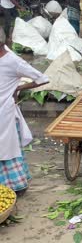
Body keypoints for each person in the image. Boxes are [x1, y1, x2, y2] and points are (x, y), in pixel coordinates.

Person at [0, 27, 49, 196]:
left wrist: (19, 87)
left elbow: (42, 78)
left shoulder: (13, 61)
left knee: (7, 148)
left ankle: (15, 185)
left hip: (5, 114)